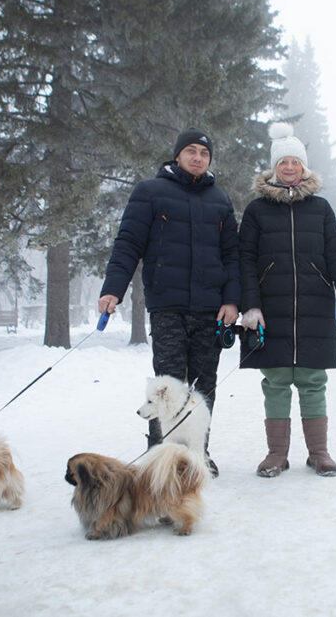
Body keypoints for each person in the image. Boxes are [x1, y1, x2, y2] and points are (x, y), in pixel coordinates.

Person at [97, 128, 239, 477]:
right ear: (177, 155)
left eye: (204, 154)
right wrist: (114, 288)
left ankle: (198, 453)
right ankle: (160, 454)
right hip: (168, 307)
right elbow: (128, 243)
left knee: (203, 388)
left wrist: (232, 300)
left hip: (210, 309)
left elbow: (233, 256)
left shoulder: (220, 200)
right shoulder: (150, 192)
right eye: (190, 151)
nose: (197, 158)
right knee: (168, 386)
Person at [238, 122, 336, 478]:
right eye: (282, 162)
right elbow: (245, 259)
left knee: (312, 381)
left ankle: (319, 452)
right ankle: (276, 454)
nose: (289, 167)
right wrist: (251, 305)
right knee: (275, 380)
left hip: (313, 308)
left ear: (304, 167)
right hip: (270, 310)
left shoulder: (321, 209)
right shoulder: (257, 211)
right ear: (273, 168)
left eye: (295, 162)